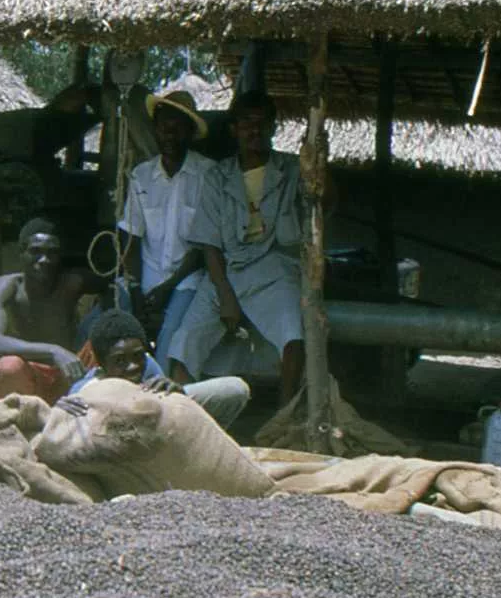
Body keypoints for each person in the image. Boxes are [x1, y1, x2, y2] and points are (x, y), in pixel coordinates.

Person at [170, 90, 335, 405]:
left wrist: (321, 165)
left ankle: (284, 418)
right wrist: (226, 296)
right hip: (227, 270)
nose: (253, 130)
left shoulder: (291, 169)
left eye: (262, 123)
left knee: (294, 339)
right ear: (233, 129)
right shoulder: (219, 176)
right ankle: (184, 414)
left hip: (275, 267)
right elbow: (210, 247)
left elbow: (325, 204)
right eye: (246, 123)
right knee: (185, 343)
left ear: (274, 128)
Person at [120, 89, 212, 371]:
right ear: (155, 130)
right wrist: (135, 289)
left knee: (169, 344)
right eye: (163, 128)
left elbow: (202, 248)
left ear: (189, 132)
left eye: (177, 129)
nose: (169, 136)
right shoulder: (141, 175)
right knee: (110, 330)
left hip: (186, 281)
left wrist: (166, 288)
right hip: (146, 277)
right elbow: (131, 238)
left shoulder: (208, 174)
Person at [64, 308, 251, 429]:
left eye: (138, 356)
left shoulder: (147, 363)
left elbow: (167, 408)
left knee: (235, 388)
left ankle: (206, 447)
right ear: (102, 365)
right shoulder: (87, 388)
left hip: (156, 421)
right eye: (120, 361)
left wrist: (176, 391)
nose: (133, 367)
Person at [0, 217, 94, 403]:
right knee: (9, 367)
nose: (44, 260)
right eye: (35, 251)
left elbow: (113, 284)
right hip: (29, 377)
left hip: (70, 376)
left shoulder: (71, 283)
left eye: (52, 253)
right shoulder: (8, 286)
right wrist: (53, 351)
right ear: (21, 253)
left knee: (100, 347)